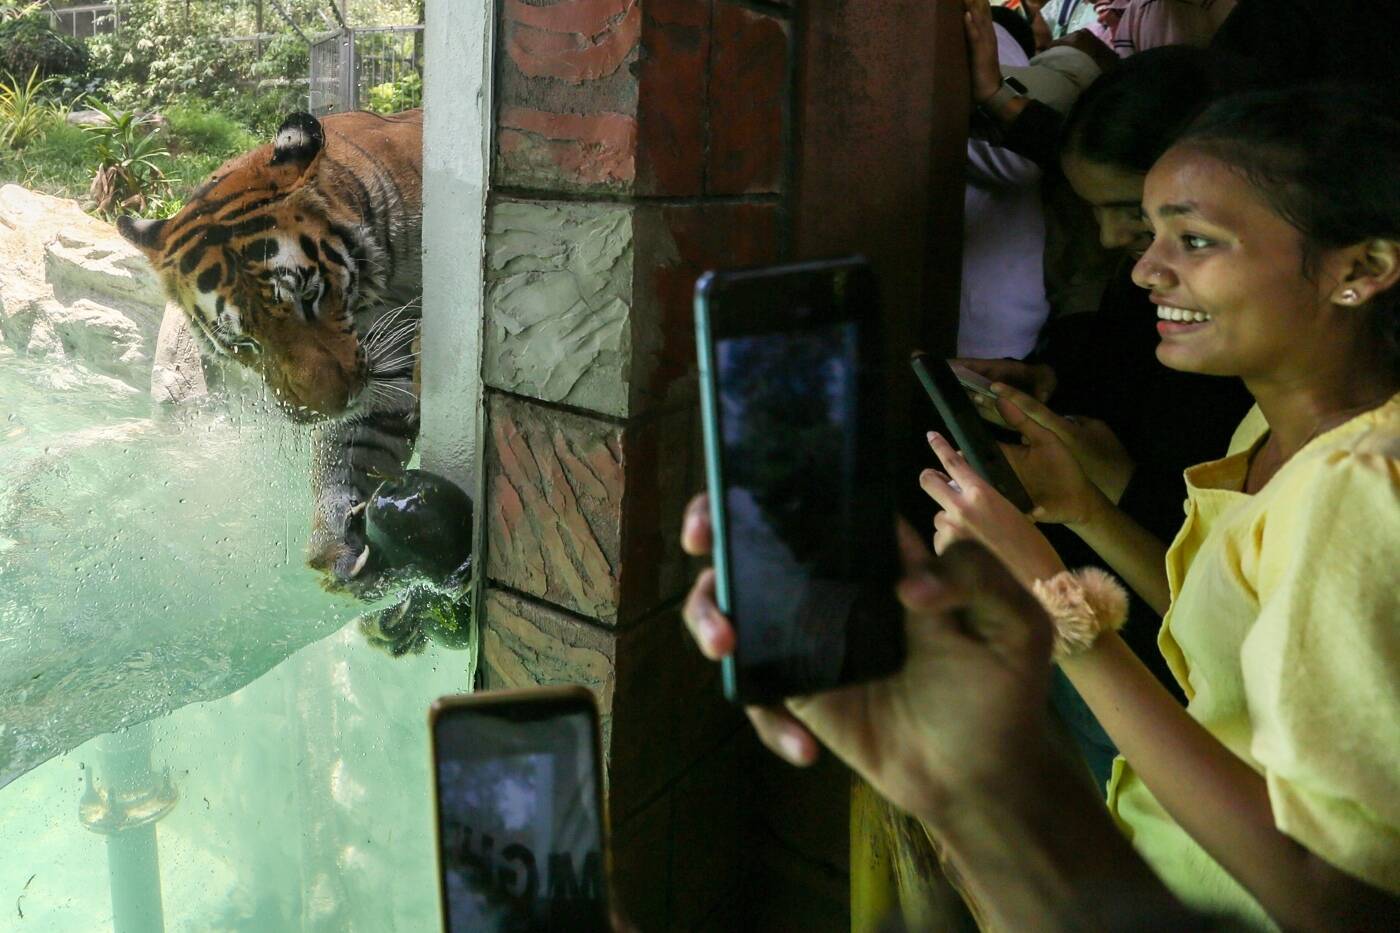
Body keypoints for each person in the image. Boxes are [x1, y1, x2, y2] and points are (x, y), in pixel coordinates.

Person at [919, 86, 1400, 927]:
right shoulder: (1275, 426)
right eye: (1154, 231)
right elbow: (1237, 641)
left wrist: (1053, 605)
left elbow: (1331, 899)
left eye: (1198, 240)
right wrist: (1082, 513)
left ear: (1359, 270)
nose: (1144, 267)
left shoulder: (1353, 492)